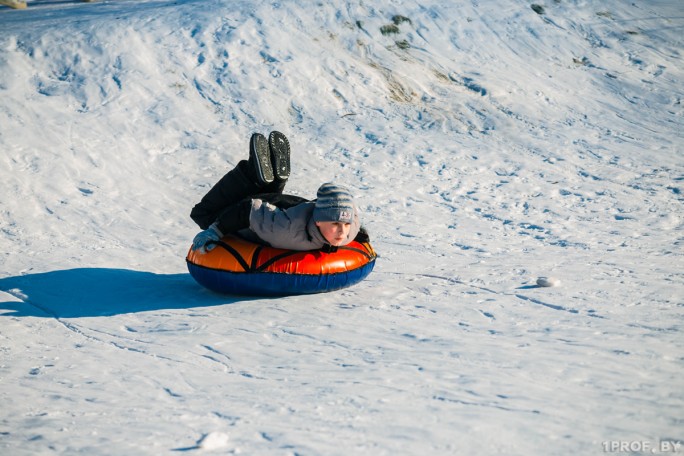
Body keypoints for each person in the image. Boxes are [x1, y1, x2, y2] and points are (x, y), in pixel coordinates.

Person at [190, 131, 366, 254]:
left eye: (346, 224)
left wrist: (359, 234)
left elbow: (349, 219)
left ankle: (273, 180)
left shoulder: (349, 230)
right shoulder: (287, 231)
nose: (342, 232)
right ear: (319, 221)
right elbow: (247, 210)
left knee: (269, 206)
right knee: (203, 215)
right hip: (257, 214)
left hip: (289, 206)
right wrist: (215, 230)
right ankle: (252, 173)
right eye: (335, 224)